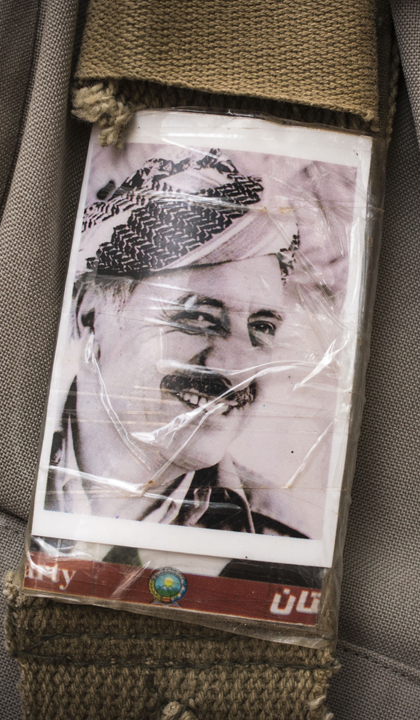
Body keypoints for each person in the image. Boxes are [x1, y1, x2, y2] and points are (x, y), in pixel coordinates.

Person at [43, 148, 309, 538]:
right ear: (90, 314)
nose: (239, 369)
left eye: (262, 327)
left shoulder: (284, 541)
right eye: (198, 318)